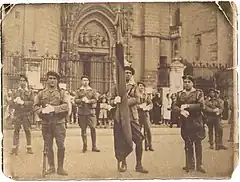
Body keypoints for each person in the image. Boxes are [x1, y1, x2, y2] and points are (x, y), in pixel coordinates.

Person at [111, 66, 148, 173]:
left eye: (129, 73)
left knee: (139, 140)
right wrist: (114, 101)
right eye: (125, 73)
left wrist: (123, 103)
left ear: (132, 75)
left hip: (132, 117)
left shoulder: (135, 87)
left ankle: (139, 164)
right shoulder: (116, 87)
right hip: (120, 118)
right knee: (121, 141)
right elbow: (109, 100)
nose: (127, 75)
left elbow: (137, 99)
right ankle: (123, 162)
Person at [34, 71, 69, 175]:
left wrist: (53, 108)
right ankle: (51, 167)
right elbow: (35, 106)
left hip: (59, 123)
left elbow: (66, 106)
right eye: (50, 78)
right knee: (48, 146)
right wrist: (42, 111)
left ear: (57, 80)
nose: (52, 80)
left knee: (61, 146)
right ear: (47, 80)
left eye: (54, 78)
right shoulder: (41, 93)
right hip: (46, 123)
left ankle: (60, 168)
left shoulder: (62, 93)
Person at [172, 75, 206, 173]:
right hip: (185, 122)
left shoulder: (198, 93)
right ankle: (189, 164)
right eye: (185, 82)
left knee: (198, 143)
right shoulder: (179, 94)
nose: (186, 84)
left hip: (196, 121)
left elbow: (201, 105)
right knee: (187, 143)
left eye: (188, 82)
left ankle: (199, 165)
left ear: (192, 83)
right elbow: (174, 106)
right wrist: (180, 111)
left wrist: (187, 106)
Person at [75, 75, 100, 153]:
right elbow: (75, 100)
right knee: (83, 129)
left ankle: (94, 146)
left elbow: (96, 99)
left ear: (88, 81)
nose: (85, 82)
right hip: (82, 112)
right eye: (83, 80)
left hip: (90, 112)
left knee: (93, 128)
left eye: (86, 80)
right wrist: (81, 100)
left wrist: (89, 101)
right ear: (81, 81)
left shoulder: (93, 90)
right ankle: (84, 145)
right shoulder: (78, 91)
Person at [9, 75, 34, 155]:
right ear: (19, 82)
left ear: (26, 82)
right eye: (21, 80)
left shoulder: (30, 91)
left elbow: (32, 102)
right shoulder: (16, 91)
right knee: (16, 131)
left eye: (24, 80)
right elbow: (11, 103)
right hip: (18, 113)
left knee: (27, 130)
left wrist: (24, 103)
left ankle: (29, 147)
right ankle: (14, 147)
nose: (22, 82)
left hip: (26, 114)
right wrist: (15, 101)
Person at [137, 81, 154, 151]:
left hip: (145, 113)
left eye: (142, 86)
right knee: (138, 130)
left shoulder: (146, 95)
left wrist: (147, 107)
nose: (141, 87)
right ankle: (139, 144)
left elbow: (151, 104)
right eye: (140, 86)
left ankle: (148, 145)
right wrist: (138, 106)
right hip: (137, 114)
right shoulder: (136, 95)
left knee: (147, 129)